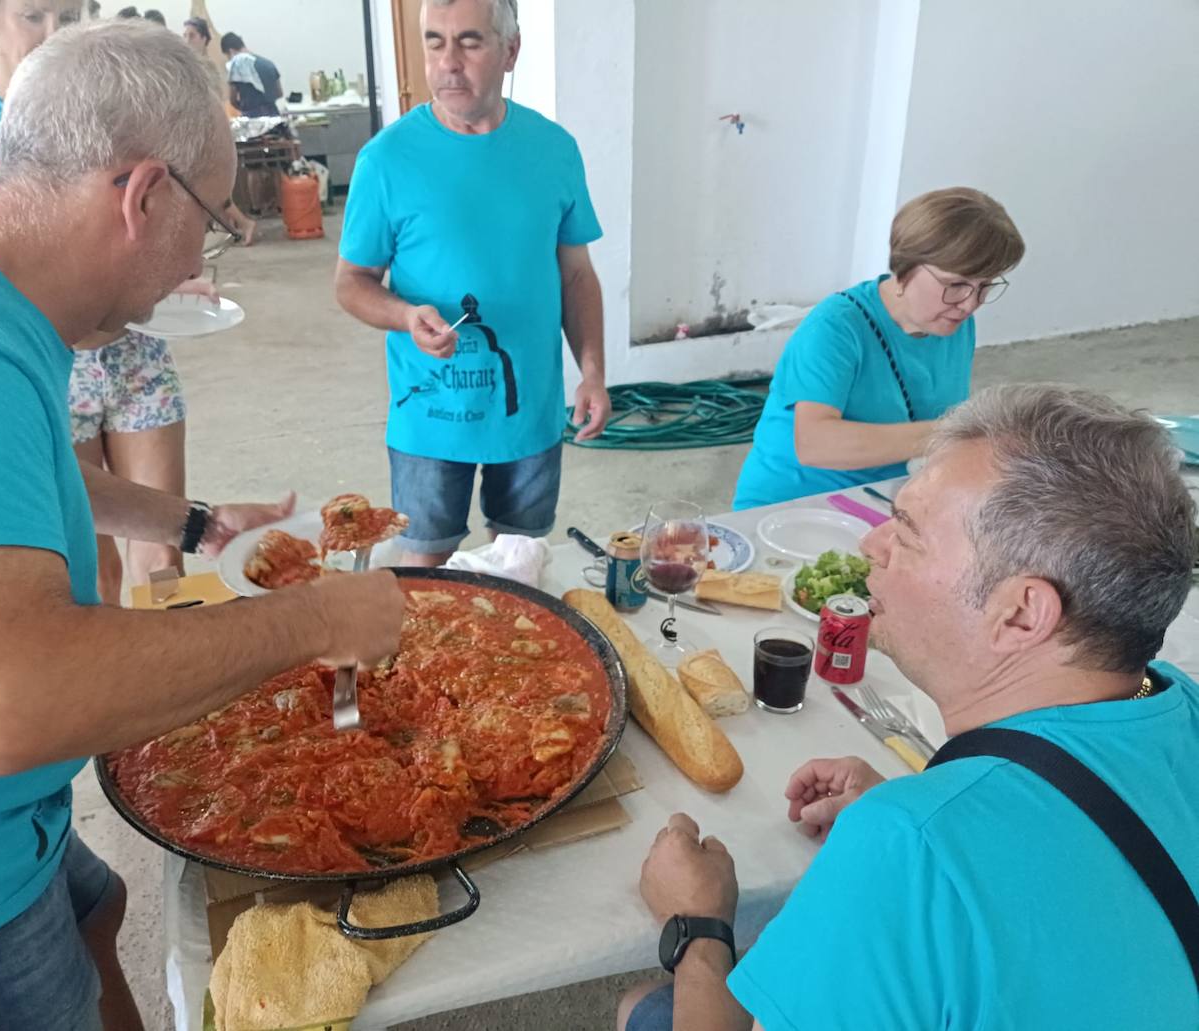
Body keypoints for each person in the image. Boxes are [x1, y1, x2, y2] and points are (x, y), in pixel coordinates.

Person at [0, 20, 405, 1031]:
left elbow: (3, 482)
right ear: (142, 196)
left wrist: (190, 519)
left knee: (108, 913)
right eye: (214, 224)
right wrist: (314, 621)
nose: (202, 259)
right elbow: (7, 705)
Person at [621, 385, 1199, 1030]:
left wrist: (696, 925)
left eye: (909, 532)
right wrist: (932, 804)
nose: (873, 547)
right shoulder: (1178, 698)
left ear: (1022, 613)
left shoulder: (909, 843)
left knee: (643, 1005)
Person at [0, 0, 207, 601]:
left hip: (134, 353)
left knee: (164, 544)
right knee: (85, 556)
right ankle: (118, 689)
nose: (52, 36)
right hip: (43, 366)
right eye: (35, 17)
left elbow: (145, 225)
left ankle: (178, 680)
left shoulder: (112, 112)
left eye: (69, 18)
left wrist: (172, 273)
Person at [335, 0, 610, 566]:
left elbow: (576, 273)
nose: (448, 63)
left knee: (520, 567)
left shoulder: (553, 150)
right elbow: (352, 283)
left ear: (511, 50)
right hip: (431, 419)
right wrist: (405, 316)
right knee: (427, 578)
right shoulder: (386, 160)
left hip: (528, 413)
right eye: (435, 42)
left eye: (470, 42)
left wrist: (593, 373)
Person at [731, 187, 1024, 509]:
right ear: (904, 268)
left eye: (985, 286)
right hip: (795, 505)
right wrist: (959, 432)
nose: (970, 304)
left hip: (884, 496)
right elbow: (815, 444)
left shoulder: (954, 322)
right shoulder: (835, 328)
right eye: (956, 285)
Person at [184, 15, 257, 245]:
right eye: (184, 35)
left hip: (206, 133)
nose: (187, 40)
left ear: (205, 39)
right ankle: (233, 226)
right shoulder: (188, 66)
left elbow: (213, 101)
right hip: (192, 132)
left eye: (192, 36)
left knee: (207, 186)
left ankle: (243, 223)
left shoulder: (205, 68)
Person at [220, 31, 282, 118]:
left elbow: (232, 100)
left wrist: (245, 109)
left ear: (231, 51)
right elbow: (279, 93)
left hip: (253, 120)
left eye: (228, 57)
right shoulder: (269, 64)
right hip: (274, 116)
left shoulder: (236, 67)